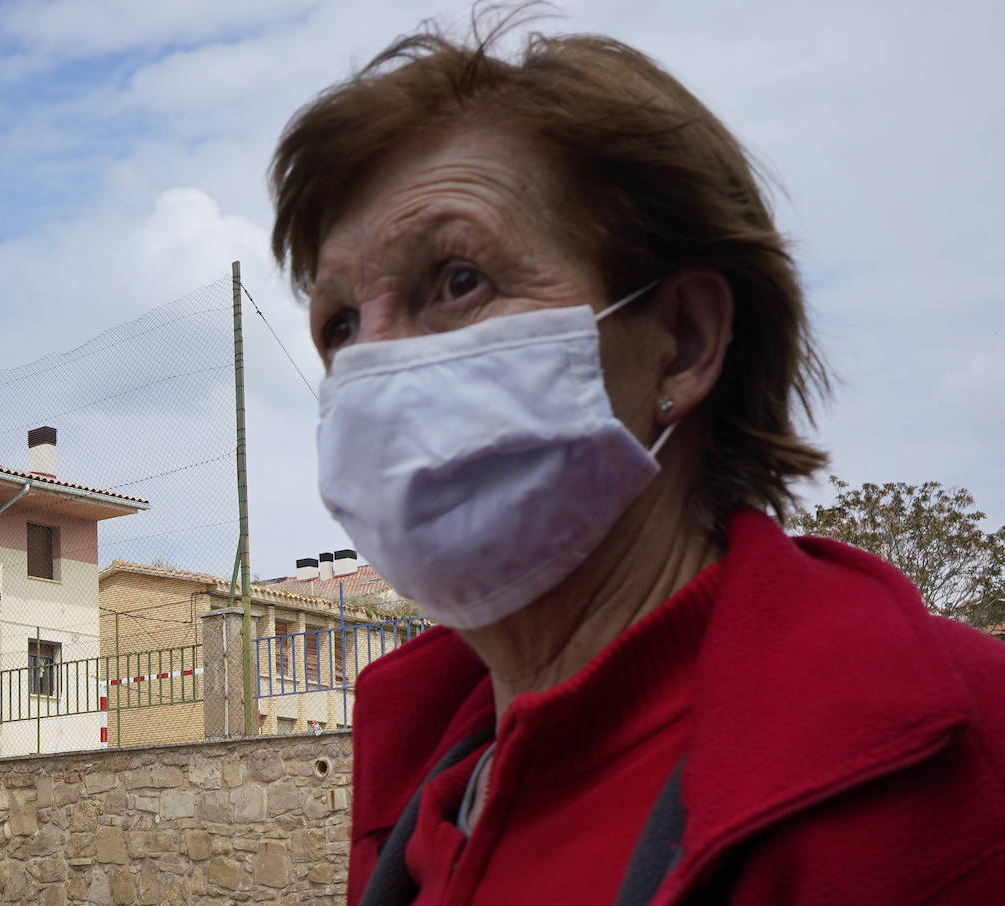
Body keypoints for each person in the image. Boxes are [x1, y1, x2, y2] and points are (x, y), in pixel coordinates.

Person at [269, 16, 1005, 906]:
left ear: (684, 342)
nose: (374, 368)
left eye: (458, 280)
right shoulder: (419, 795)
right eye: (340, 326)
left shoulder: (958, 765)